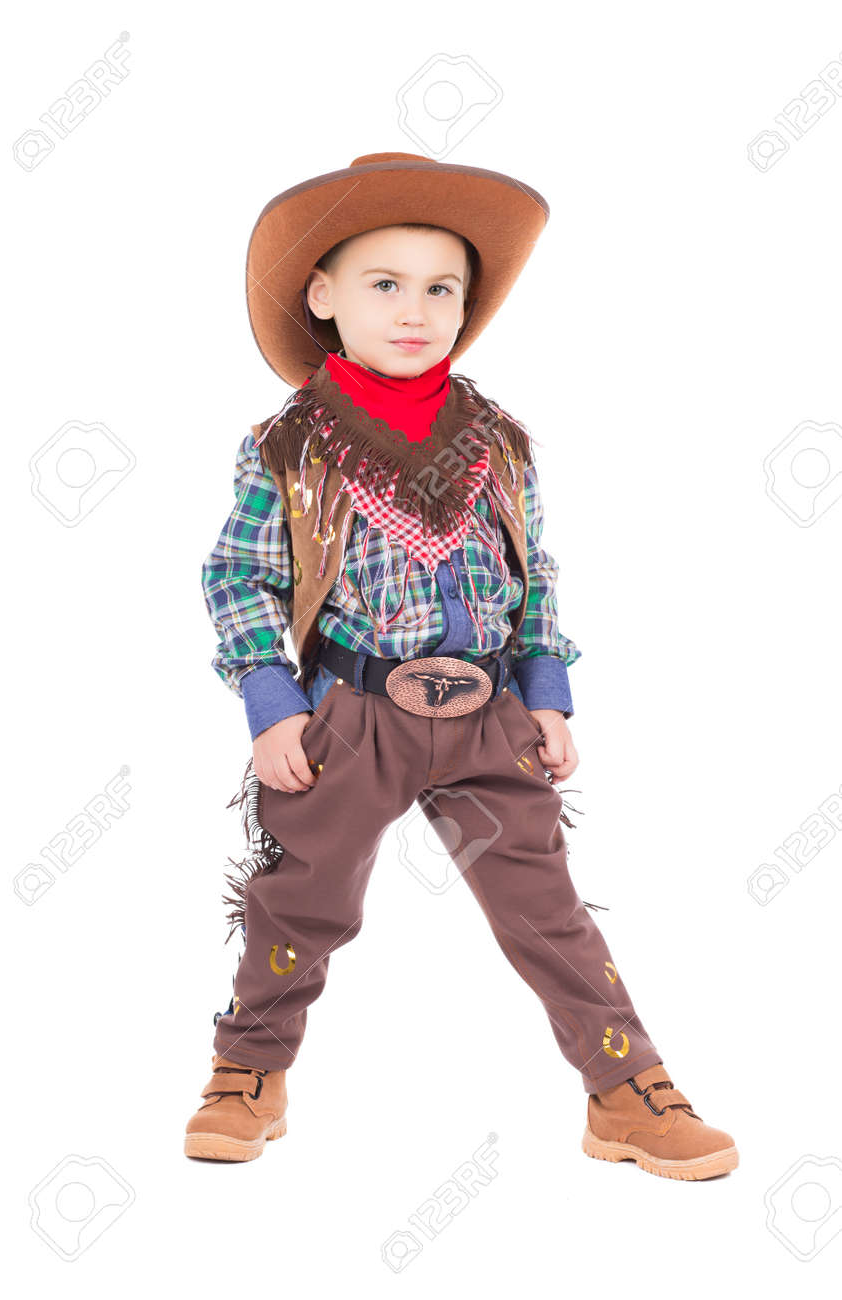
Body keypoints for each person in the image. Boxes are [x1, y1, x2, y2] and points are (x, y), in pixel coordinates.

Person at [184, 152, 738, 1180]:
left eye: (442, 288)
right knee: (302, 898)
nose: (416, 310)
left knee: (546, 909)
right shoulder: (288, 446)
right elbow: (239, 576)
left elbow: (534, 573)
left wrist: (547, 693)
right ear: (323, 296)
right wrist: (270, 704)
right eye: (384, 284)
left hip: (488, 715)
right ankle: (247, 1070)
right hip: (353, 714)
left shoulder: (500, 442)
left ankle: (625, 1089)